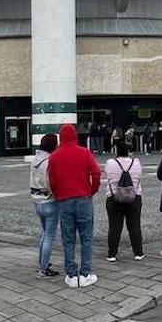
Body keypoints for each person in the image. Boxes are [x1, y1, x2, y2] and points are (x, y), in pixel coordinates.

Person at [48, 123, 103, 288]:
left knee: (68, 238)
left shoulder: (54, 156)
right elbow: (97, 173)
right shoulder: (84, 152)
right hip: (84, 198)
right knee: (86, 237)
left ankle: (71, 275)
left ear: (61, 136)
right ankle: (85, 273)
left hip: (64, 200)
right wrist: (91, 190)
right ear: (75, 136)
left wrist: (58, 194)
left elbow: (52, 180)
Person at [103, 139, 144, 262]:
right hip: (134, 197)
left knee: (114, 227)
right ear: (128, 151)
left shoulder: (110, 163)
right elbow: (138, 177)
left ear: (116, 151)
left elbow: (108, 175)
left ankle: (112, 254)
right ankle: (138, 252)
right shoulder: (136, 163)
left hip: (114, 197)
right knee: (134, 226)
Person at [29, 133, 61, 277]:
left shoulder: (35, 159)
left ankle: (42, 262)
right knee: (49, 235)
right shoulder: (49, 161)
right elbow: (50, 182)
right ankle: (44, 268)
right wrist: (56, 194)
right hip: (49, 201)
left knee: (44, 233)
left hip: (37, 200)